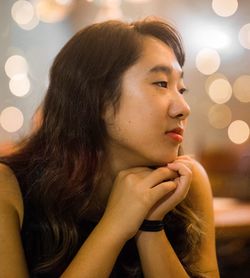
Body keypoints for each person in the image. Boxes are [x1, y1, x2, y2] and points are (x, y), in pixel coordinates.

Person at [0, 17, 219, 277]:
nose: (183, 108)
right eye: (161, 84)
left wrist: (150, 226)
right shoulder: (9, 188)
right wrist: (117, 223)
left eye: (181, 89)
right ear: (100, 99)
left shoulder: (187, 183)